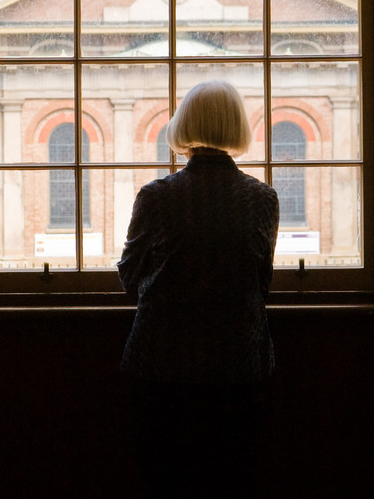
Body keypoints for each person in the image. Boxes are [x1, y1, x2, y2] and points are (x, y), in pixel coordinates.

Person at [118, 80, 280, 498]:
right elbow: (261, 281)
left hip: (161, 361)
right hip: (238, 363)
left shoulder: (156, 197)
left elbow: (128, 277)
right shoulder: (262, 198)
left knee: (163, 477)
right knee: (232, 478)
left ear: (182, 124)